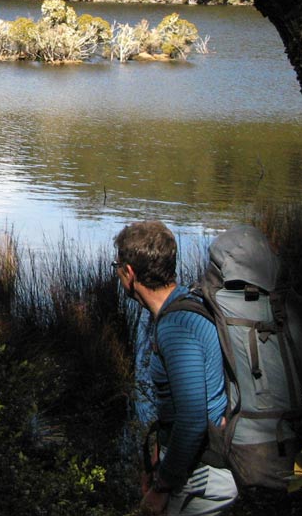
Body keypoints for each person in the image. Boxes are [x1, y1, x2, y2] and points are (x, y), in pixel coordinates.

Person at [113, 221, 237, 516]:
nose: (117, 274)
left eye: (117, 266)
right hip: (200, 467)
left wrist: (161, 488)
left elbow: (193, 419)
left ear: (129, 272)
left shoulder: (177, 326)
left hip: (202, 476)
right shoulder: (189, 301)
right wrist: (158, 462)